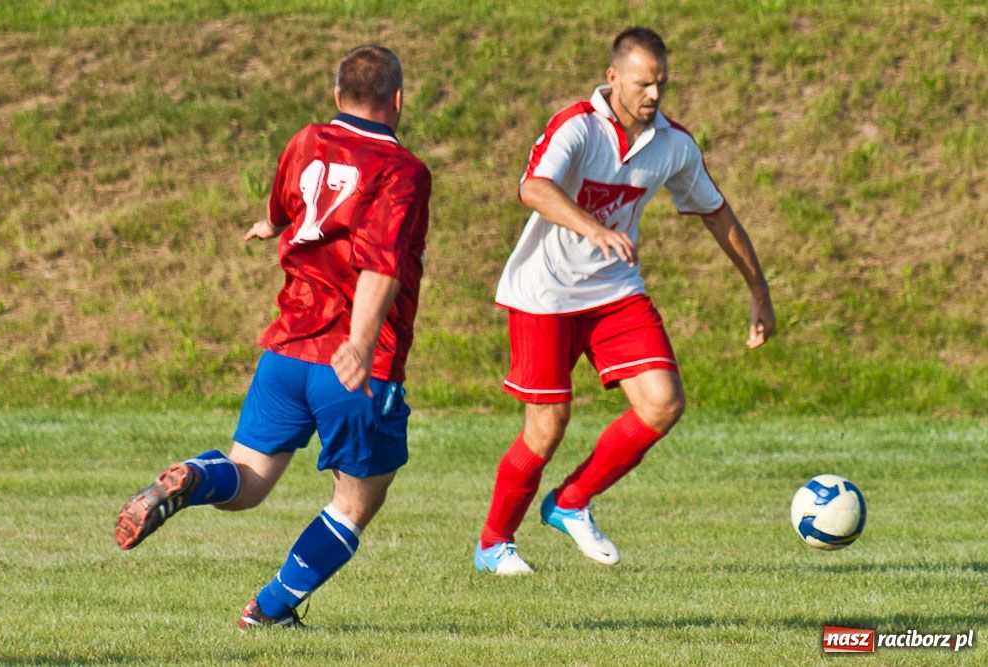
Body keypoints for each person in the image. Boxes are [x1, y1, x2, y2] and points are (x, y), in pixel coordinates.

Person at [114, 44, 432, 627]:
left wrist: (273, 224)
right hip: (353, 362)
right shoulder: (403, 171)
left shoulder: (309, 139)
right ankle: (270, 608)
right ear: (399, 99)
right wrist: (359, 344)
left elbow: (288, 198)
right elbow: (381, 264)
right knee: (357, 501)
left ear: (338, 97)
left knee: (248, 480)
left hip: (288, 348)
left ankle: (195, 474)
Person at [475, 27, 775, 575]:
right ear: (613, 77)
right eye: (643, 83)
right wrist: (593, 228)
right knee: (547, 427)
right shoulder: (577, 127)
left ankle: (570, 502)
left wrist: (758, 289)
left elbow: (717, 213)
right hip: (545, 293)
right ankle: (494, 543)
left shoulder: (674, 145)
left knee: (663, 403)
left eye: (661, 83)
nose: (654, 95)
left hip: (614, 291)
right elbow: (533, 189)